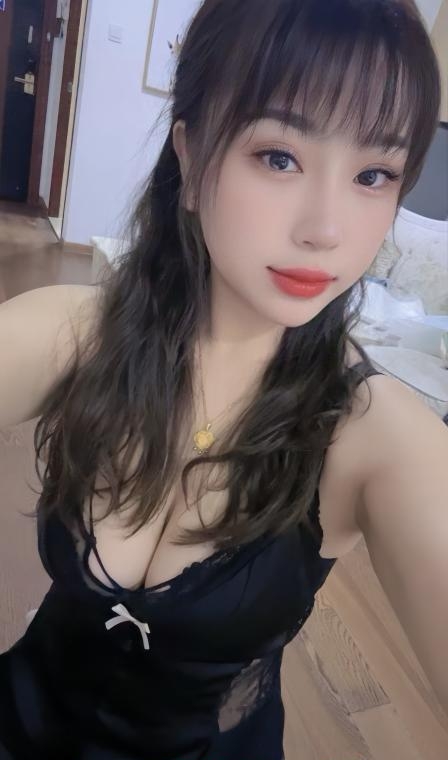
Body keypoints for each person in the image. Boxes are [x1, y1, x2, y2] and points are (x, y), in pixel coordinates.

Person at [0, 0, 447, 757]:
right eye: (279, 157)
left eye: (374, 174)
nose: (326, 229)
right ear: (191, 154)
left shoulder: (381, 438)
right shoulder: (77, 333)